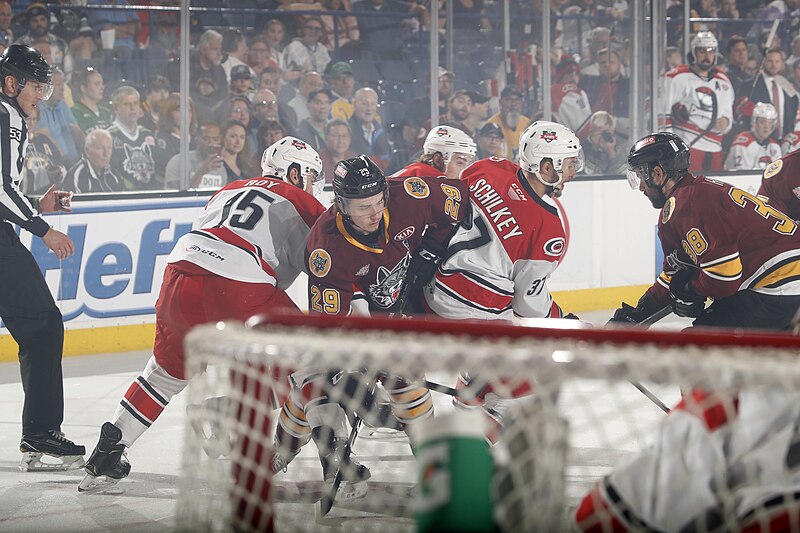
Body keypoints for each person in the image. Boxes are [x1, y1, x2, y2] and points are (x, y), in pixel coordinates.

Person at [78, 137, 327, 493]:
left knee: (164, 372)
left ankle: (110, 448)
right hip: (240, 287)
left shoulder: (229, 188)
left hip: (180, 275)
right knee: (311, 363)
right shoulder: (305, 203)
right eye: (310, 174)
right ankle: (338, 462)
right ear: (292, 170)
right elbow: (327, 267)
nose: (312, 183)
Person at [304, 155, 470, 443]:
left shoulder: (409, 196)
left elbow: (459, 200)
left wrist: (431, 248)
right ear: (341, 205)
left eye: (379, 202)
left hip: (406, 299)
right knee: (325, 383)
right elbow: (329, 325)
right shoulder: (326, 250)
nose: (375, 213)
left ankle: (429, 473)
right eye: (363, 207)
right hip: (361, 306)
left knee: (416, 405)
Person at [611, 131, 800, 330]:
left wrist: (692, 289)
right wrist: (640, 311)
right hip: (781, 282)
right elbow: (674, 273)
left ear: (658, 174)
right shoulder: (694, 195)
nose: (640, 186)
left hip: (779, 285)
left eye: (641, 176)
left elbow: (725, 277)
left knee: (696, 347)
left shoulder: (689, 205)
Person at [0, 44, 84, 472]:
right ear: (12, 83)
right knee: (44, 328)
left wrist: (35, 205)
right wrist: (43, 228)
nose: (40, 95)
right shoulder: (7, 114)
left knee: (40, 329)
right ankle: (40, 432)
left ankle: (38, 432)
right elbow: (0, 190)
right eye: (35, 85)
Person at [662, 31, 734, 172]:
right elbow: (662, 115)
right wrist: (669, 148)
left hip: (714, 148)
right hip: (687, 147)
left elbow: (728, 115)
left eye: (711, 51)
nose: (707, 56)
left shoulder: (723, 80)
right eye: (702, 51)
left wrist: (725, 122)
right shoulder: (676, 77)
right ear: (693, 52)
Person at [107, 85, 158, 190]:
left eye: (135, 103)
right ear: (115, 108)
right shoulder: (108, 136)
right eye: (126, 104)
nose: (132, 108)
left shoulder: (147, 134)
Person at [391, 125, 476, 180]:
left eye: (468, 165)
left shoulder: (416, 171)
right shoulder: (431, 183)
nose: (466, 171)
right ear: (438, 160)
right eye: (460, 163)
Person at [725, 102, 782, 170]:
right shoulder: (744, 143)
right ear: (754, 122)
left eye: (770, 122)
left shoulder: (774, 146)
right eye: (762, 122)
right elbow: (742, 175)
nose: (766, 126)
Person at [63, 128, 122, 193]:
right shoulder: (76, 177)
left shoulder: (114, 174)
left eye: (109, 148)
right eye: (100, 148)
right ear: (87, 151)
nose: (106, 154)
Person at [487, 86, 530, 160]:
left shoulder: (527, 123)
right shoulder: (492, 124)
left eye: (517, 100)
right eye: (508, 100)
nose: (513, 104)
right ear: (500, 102)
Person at [70, 66, 113, 133]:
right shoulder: (75, 112)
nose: (102, 87)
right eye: (97, 84)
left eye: (102, 83)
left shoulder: (107, 112)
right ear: (83, 88)